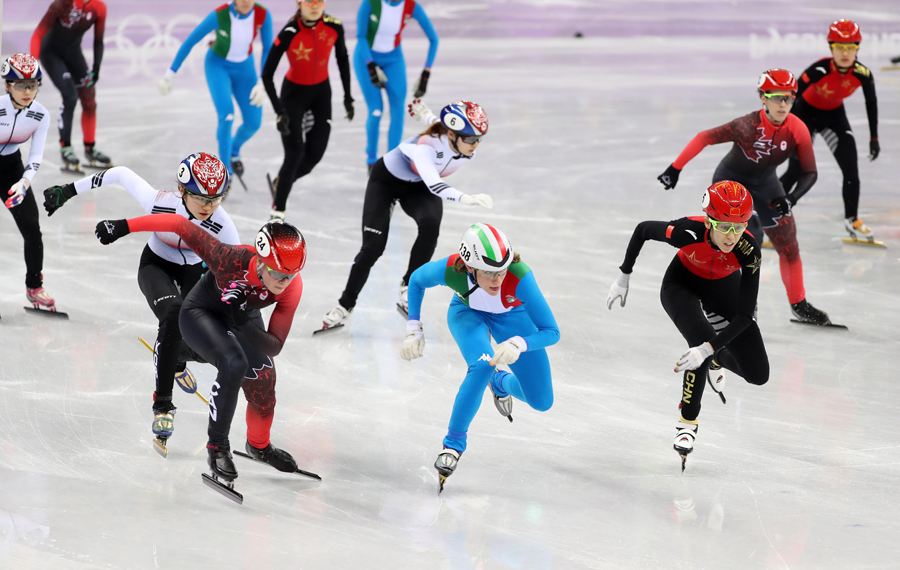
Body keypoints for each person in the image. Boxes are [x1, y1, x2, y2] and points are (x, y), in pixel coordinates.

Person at [94, 213, 307, 497]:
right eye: (279, 274)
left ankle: (258, 446)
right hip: (200, 312)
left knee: (263, 380)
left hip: (240, 315)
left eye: (291, 275)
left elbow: (274, 346)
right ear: (261, 260)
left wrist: (242, 319)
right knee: (233, 362)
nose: (284, 282)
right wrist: (122, 225)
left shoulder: (292, 286)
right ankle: (217, 448)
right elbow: (178, 225)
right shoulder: (228, 258)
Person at [42, 153, 239, 453]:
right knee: (173, 315)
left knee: (196, 334)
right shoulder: (159, 201)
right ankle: (163, 405)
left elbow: (238, 272)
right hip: (156, 266)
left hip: (194, 274)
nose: (209, 207)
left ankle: (178, 361)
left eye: (216, 198)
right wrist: (68, 191)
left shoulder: (223, 225)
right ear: (183, 191)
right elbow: (119, 173)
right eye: (201, 198)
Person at [607, 181, 769, 470]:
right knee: (700, 341)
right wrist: (624, 276)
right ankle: (687, 422)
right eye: (724, 227)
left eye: (740, 226)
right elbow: (644, 229)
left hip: (723, 288)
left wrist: (710, 350)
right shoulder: (687, 231)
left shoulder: (749, 250)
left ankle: (716, 359)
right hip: (680, 285)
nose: (732, 236)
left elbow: (745, 317)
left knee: (757, 374)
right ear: (709, 221)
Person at [657, 69, 833, 326]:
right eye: (776, 97)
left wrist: (791, 198)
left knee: (789, 244)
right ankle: (742, 302)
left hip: (766, 185)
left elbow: (810, 172)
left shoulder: (798, 129)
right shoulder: (746, 126)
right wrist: (675, 168)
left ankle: (799, 304)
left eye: (789, 98)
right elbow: (704, 137)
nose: (783, 104)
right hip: (732, 184)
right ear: (763, 98)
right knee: (749, 238)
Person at [400, 224, 559, 491]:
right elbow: (416, 280)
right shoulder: (452, 269)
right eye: (488, 272)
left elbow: (552, 332)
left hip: (513, 318)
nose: (497, 280)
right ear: (469, 267)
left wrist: (521, 343)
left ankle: (500, 383)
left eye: (501, 270)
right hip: (467, 313)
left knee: (542, 402)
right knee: (483, 364)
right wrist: (413, 328)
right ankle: (453, 444)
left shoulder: (519, 277)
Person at [320, 99, 493, 330]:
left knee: (431, 225)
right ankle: (345, 304)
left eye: (479, 139)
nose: (476, 145)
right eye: (471, 139)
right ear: (453, 135)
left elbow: (440, 125)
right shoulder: (426, 148)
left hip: (417, 185)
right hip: (386, 182)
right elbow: (435, 185)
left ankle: (408, 285)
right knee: (373, 247)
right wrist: (466, 198)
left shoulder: (459, 142)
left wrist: (428, 116)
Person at [779, 19, 880, 243]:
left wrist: (874, 138)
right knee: (796, 171)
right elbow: (790, 96)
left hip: (834, 117)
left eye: (850, 48)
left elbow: (871, 104)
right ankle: (773, 214)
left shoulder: (864, 74)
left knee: (851, 169)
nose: (845, 53)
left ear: (858, 49)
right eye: (839, 48)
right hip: (804, 115)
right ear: (831, 48)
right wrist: (784, 126)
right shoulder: (818, 70)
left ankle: (852, 220)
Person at [159, 0, 274, 177]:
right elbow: (191, 41)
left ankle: (234, 149)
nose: (246, 2)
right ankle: (225, 171)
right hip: (217, 66)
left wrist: (263, 81)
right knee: (226, 116)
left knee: (253, 123)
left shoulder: (263, 15)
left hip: (245, 69)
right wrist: (170, 72)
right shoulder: (220, 15)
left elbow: (268, 49)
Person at [262, 0, 354, 221]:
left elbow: (342, 59)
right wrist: (279, 111)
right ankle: (278, 211)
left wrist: (348, 96)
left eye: (319, 1)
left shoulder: (334, 26)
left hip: (321, 95)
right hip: (293, 96)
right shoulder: (289, 32)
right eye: (309, 1)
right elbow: (267, 74)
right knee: (294, 153)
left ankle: (282, 182)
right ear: (299, 3)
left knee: (314, 156)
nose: (315, 6)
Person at [354, 0, 439, 169]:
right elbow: (361, 36)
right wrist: (370, 64)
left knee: (398, 110)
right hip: (366, 57)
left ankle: (391, 162)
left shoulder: (410, 6)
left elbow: (434, 39)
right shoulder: (370, 3)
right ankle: (371, 160)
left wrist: (426, 73)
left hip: (394, 60)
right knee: (376, 110)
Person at [0, 54, 56, 312]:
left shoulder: (40, 115)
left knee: (32, 229)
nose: (27, 91)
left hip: (12, 171)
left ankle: (34, 285)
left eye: (33, 85)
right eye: (21, 85)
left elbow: (36, 154)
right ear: (7, 85)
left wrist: (24, 181)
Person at [31, 0, 110, 171]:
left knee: (89, 100)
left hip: (73, 53)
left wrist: (96, 68)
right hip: (51, 54)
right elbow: (38, 34)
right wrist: (33, 66)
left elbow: (98, 40)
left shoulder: (99, 7)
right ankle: (66, 147)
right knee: (70, 97)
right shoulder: (62, 3)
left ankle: (90, 148)